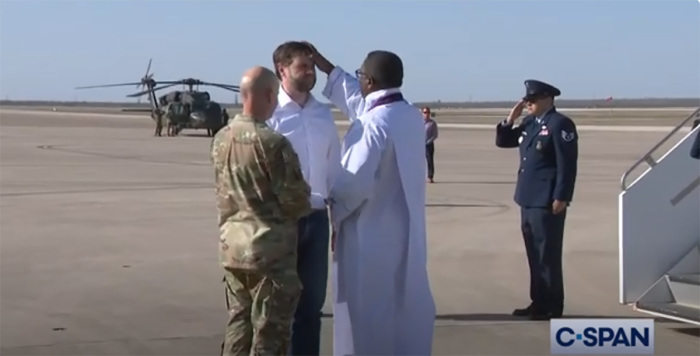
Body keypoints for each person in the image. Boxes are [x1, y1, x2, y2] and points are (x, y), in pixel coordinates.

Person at [305, 42, 436, 355]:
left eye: (360, 74)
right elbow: (360, 103)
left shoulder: (374, 124)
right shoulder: (409, 116)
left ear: (370, 82)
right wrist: (327, 67)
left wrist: (331, 209)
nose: (358, 79)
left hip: (368, 234)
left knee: (366, 310)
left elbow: (355, 182)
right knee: (402, 306)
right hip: (404, 231)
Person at [211, 65, 312, 356]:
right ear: (269, 95)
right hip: (269, 255)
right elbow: (296, 201)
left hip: (232, 249)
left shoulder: (221, 139)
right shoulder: (273, 143)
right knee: (270, 335)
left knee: (238, 324)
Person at [265, 41, 341, 356]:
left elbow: (334, 168)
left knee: (311, 308)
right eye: (303, 67)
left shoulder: (322, 114)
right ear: (282, 70)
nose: (310, 72)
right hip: (280, 222)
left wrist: (338, 220)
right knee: (276, 307)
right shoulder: (270, 115)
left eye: (312, 67)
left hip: (317, 219)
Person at [495, 79, 578, 320]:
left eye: (531, 100)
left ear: (547, 99)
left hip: (547, 200)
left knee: (548, 255)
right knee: (534, 254)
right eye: (526, 101)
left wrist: (562, 196)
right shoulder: (530, 123)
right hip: (527, 198)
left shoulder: (560, 124)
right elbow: (503, 142)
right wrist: (510, 119)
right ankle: (538, 301)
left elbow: (567, 164)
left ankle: (552, 305)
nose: (527, 104)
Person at [423, 106, 438, 183]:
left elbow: (435, 135)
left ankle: (430, 176)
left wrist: (428, 141)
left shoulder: (432, 123)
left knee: (430, 161)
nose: (427, 114)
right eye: (425, 112)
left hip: (428, 145)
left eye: (428, 112)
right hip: (420, 144)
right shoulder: (419, 122)